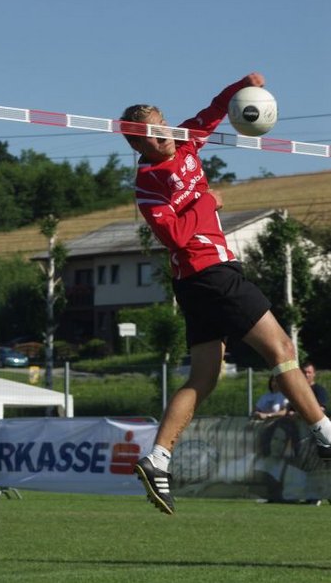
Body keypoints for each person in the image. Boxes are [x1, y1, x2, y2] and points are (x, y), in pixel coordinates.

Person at [120, 73, 331, 515]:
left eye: (162, 127)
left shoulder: (185, 141)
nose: (163, 138)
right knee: (282, 349)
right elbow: (175, 235)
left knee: (203, 378)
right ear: (137, 147)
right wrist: (206, 204)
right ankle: (324, 433)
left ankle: (157, 458)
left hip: (198, 282)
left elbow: (216, 110)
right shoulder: (148, 185)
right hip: (208, 273)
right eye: (152, 137)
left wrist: (243, 83)